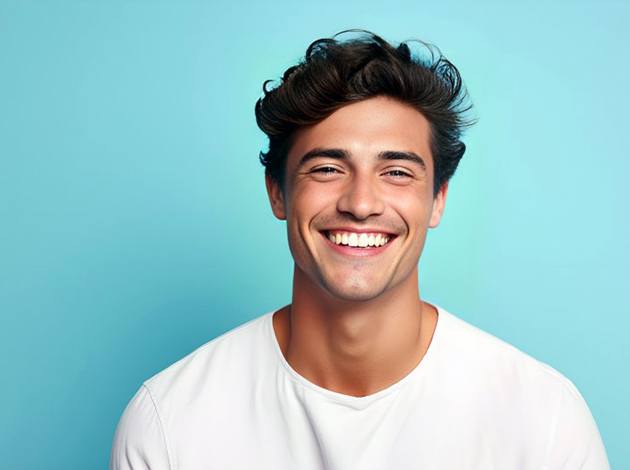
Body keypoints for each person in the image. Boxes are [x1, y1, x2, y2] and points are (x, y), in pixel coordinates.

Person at [109, 30, 610, 469]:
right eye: (327, 168)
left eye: (396, 172)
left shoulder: (543, 418)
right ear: (277, 192)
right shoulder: (170, 420)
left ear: (437, 199)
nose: (361, 203)